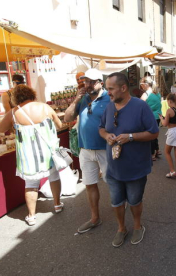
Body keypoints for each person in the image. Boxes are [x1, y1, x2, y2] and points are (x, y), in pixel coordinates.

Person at [99, 72, 159, 247]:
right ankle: (121, 228)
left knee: (134, 201)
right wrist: (107, 136)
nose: (108, 92)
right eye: (107, 88)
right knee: (116, 202)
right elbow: (101, 128)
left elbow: (154, 132)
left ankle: (138, 226)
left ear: (123, 88)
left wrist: (131, 137)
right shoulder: (110, 107)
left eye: (110, 89)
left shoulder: (140, 106)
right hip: (114, 167)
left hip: (135, 167)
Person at [0, 85, 63, 226]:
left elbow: (0, 129)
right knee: (54, 177)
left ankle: (31, 216)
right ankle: (57, 204)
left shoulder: (14, 113)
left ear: (15, 98)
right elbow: (59, 125)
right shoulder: (44, 107)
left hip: (28, 156)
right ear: (31, 94)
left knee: (31, 184)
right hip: (47, 152)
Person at [64, 68, 109, 234]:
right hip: (85, 149)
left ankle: (121, 210)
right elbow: (67, 118)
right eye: (85, 81)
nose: (87, 85)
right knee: (89, 184)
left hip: (105, 148)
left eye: (91, 81)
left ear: (100, 83)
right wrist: (76, 99)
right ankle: (95, 218)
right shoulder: (82, 100)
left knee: (113, 182)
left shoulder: (109, 99)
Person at [159, 93, 176, 178]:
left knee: (167, 152)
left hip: (172, 132)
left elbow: (164, 124)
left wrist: (161, 118)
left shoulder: (169, 111)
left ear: (170, 101)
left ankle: (172, 171)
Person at [140, 76, 162, 160]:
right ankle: (157, 150)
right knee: (155, 134)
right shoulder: (157, 93)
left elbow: (140, 106)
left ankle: (152, 153)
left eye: (142, 84)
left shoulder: (146, 94)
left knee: (150, 135)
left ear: (146, 84)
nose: (141, 86)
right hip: (158, 116)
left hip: (149, 117)